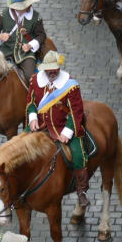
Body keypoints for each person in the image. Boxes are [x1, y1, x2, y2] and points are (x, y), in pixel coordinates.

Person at [26, 51, 89, 206]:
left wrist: (68, 133)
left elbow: (76, 111)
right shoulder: (35, 80)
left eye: (55, 70)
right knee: (21, 146)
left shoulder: (71, 86)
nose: (52, 73)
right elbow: (31, 102)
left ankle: (81, 191)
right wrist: (33, 118)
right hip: (40, 125)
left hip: (63, 127)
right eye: (49, 70)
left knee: (78, 154)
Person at [0, 0, 46, 85]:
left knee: (31, 78)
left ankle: (32, 98)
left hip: (26, 54)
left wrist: (30, 45)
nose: (30, 6)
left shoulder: (36, 17)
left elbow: (41, 35)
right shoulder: (4, 14)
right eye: (27, 5)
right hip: (5, 50)